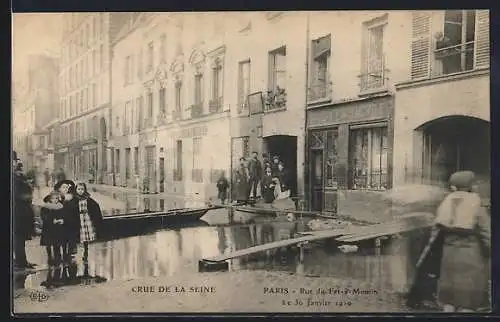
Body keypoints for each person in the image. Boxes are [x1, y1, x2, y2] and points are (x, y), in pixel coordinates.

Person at [419, 171, 490, 312]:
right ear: (471, 185)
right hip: (471, 256)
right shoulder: (476, 203)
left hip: (449, 255)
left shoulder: (446, 202)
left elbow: (435, 232)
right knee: (467, 302)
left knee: (449, 300)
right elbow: (486, 232)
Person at [13, 151, 37, 269]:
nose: (15, 164)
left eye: (15, 161)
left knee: (20, 238)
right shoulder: (14, 177)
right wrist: (27, 196)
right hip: (16, 211)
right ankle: (19, 262)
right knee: (17, 238)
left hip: (22, 212)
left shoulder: (18, 176)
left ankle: (21, 261)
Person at [74, 182, 103, 262]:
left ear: (85, 190)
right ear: (76, 190)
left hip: (86, 218)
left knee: (86, 236)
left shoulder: (87, 198)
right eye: (79, 189)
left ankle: (86, 251)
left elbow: (95, 206)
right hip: (78, 219)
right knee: (80, 235)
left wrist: (92, 213)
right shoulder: (74, 199)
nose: (80, 191)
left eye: (82, 189)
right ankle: (74, 250)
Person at [40, 191, 66, 265]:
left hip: (57, 228)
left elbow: (63, 214)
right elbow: (44, 216)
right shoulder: (46, 207)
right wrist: (51, 220)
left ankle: (57, 257)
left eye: (57, 198)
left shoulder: (60, 206)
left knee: (56, 243)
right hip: (48, 228)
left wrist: (62, 220)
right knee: (48, 243)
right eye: (54, 198)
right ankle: (50, 257)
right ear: (50, 199)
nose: (56, 200)